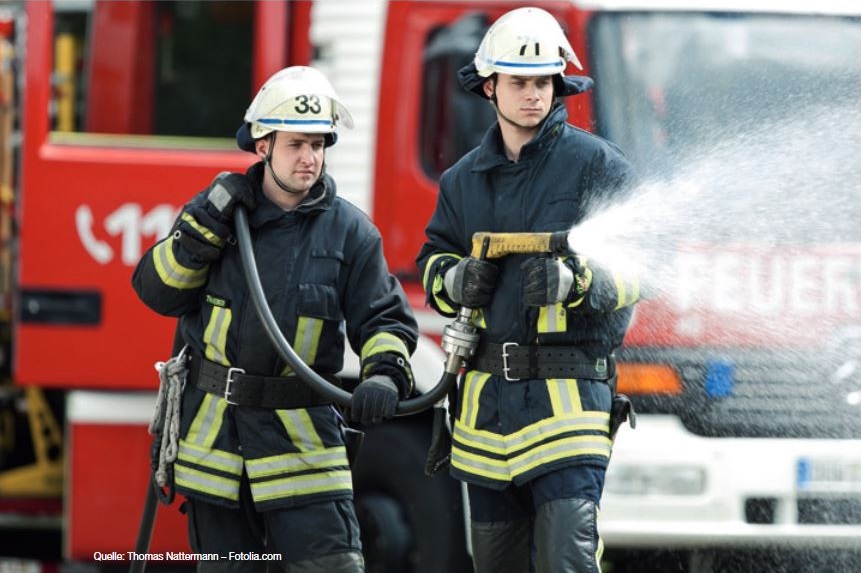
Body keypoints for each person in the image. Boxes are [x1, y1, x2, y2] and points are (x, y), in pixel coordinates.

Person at [133, 65, 418, 572]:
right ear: (263, 145)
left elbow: (384, 320)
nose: (310, 159)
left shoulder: (351, 234)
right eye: (295, 145)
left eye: (318, 145)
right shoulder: (217, 219)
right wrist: (199, 235)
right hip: (217, 455)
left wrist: (385, 374)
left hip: (303, 454)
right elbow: (156, 293)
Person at [416, 7, 638, 573]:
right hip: (486, 421)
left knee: (567, 561)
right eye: (519, 82)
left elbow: (646, 270)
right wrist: (455, 277)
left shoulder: (597, 167)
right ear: (490, 86)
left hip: (570, 413)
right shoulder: (462, 180)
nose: (534, 95)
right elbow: (432, 262)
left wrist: (577, 282)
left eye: (544, 82)